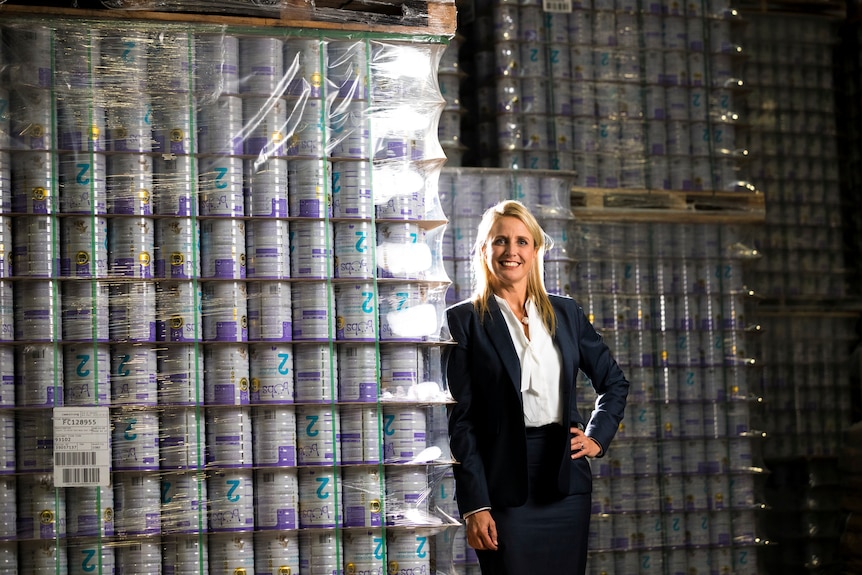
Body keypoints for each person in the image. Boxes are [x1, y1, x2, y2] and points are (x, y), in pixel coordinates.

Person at [442, 200, 629, 574]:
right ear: (483, 250)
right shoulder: (463, 320)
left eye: (522, 241)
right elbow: (460, 422)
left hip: (565, 478)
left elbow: (614, 381)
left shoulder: (566, 313)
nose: (511, 251)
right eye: (500, 241)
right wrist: (475, 505)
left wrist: (596, 436)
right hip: (501, 484)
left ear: (536, 250)